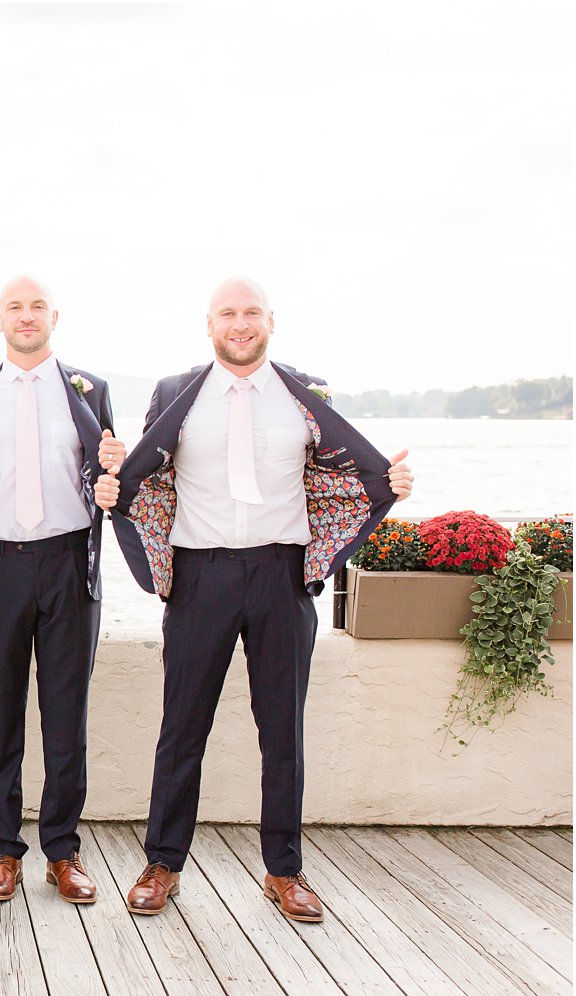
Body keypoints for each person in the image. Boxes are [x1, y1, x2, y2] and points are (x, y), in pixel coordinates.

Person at [96, 276, 414, 923]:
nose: (239, 324)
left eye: (250, 313)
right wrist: (114, 488)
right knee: (182, 727)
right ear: (208, 323)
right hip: (199, 576)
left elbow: (342, 471)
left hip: (281, 575)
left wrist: (390, 483)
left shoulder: (305, 393)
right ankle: (163, 863)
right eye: (227, 314)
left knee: (284, 732)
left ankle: (284, 870)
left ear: (271, 319)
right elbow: (145, 477)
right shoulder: (176, 393)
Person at [0, 275, 121, 904]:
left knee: (67, 718)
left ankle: (63, 851)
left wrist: (116, 469)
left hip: (68, 563)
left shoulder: (90, 390)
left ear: (54, 317)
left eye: (37, 306)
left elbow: (109, 474)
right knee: (0, 714)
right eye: (16, 306)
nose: (26, 315)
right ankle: (4, 850)